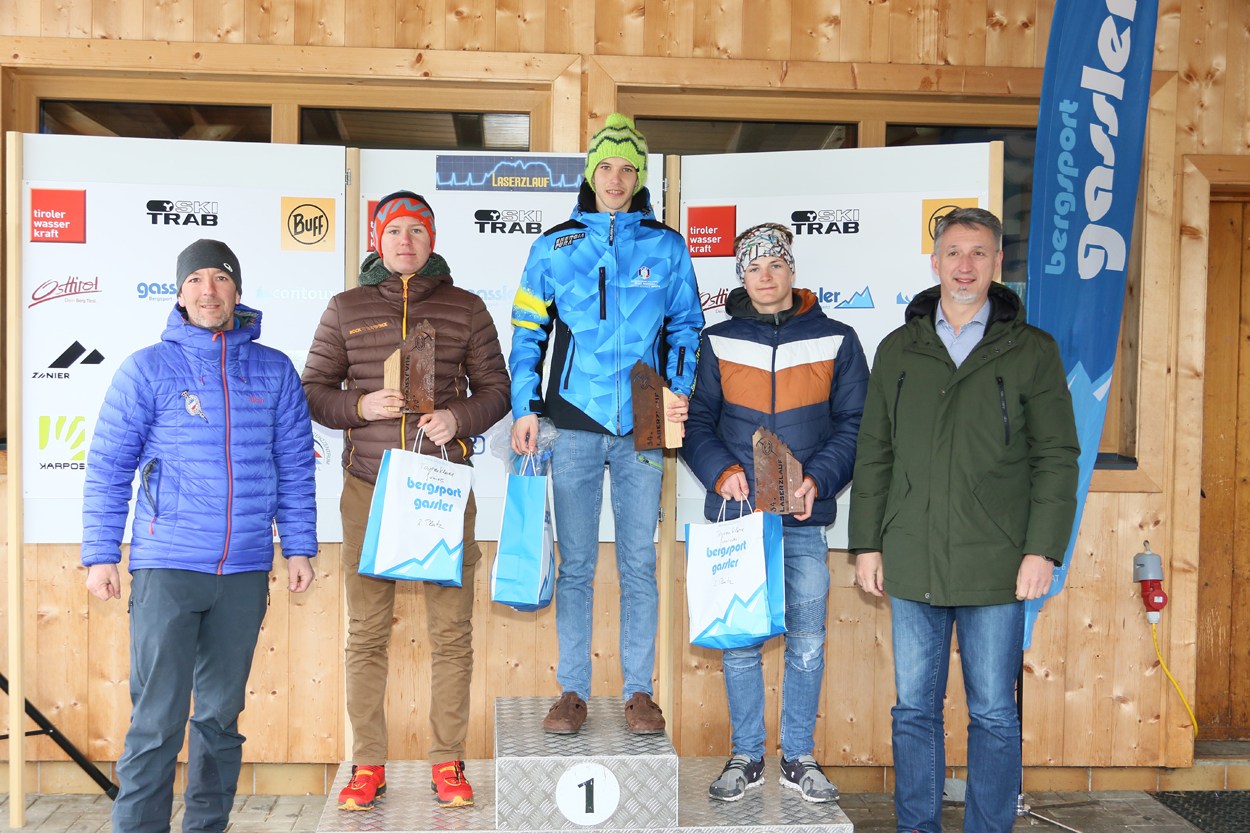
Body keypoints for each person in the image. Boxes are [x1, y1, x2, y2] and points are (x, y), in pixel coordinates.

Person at [849, 207, 1079, 833]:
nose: (965, 265)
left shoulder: (1032, 351)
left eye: (979, 253)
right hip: (912, 554)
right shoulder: (898, 349)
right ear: (935, 262)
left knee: (995, 714)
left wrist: (1043, 550)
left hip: (997, 562)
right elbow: (874, 452)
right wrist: (866, 544)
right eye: (954, 252)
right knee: (913, 711)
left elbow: (1057, 457)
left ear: (997, 263)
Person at [81, 239, 317, 833]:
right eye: (196, 280)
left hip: (241, 573)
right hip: (168, 569)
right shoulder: (148, 368)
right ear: (179, 292)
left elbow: (294, 464)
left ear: (237, 291)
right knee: (156, 721)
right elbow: (109, 466)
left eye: (220, 278)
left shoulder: (274, 369)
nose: (208, 290)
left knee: (218, 719)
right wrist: (101, 554)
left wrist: (300, 546)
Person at [302, 191, 510, 811]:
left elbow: (497, 389)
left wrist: (458, 417)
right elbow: (312, 390)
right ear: (376, 238)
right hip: (368, 490)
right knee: (365, 633)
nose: (405, 241)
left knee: (451, 634)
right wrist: (358, 407)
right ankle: (368, 765)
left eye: (416, 231)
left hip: (441, 490)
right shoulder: (345, 309)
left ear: (432, 238)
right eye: (394, 231)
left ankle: (448, 763)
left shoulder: (466, 308)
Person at [509, 113, 703, 735]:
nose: (616, 179)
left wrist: (676, 391)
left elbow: (686, 326)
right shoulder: (555, 244)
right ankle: (572, 691)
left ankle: (640, 694)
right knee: (577, 565)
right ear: (590, 173)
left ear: (639, 176)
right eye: (605, 167)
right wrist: (523, 407)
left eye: (627, 169)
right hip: (570, 421)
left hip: (644, 422)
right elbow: (527, 333)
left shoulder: (667, 245)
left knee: (640, 564)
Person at [682, 223, 868, 803]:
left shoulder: (838, 338)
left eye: (776, 265)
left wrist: (820, 478)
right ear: (741, 276)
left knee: (808, 643)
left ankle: (798, 758)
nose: (765, 277)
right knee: (739, 643)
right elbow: (694, 422)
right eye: (753, 268)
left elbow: (855, 425)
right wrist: (720, 472)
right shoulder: (715, 341)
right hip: (737, 520)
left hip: (804, 524)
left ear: (792, 271)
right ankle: (747, 756)